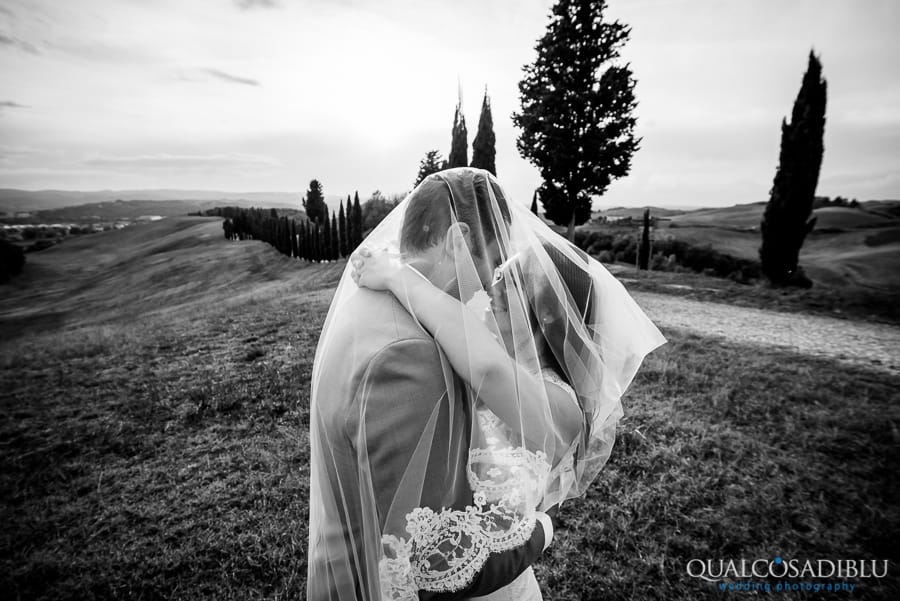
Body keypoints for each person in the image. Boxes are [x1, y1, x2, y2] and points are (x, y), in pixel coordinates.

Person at [307, 168, 556, 601]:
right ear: (458, 241)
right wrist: (544, 528)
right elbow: (426, 560)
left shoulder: (367, 300)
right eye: (492, 261)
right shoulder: (411, 355)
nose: (488, 283)